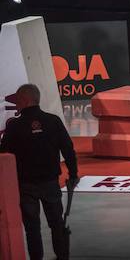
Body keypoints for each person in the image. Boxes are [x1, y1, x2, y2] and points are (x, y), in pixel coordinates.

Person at [0, 84, 78, 260]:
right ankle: (62, 257)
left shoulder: (14, 126)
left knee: (32, 228)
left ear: (25, 100)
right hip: (50, 182)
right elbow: (68, 149)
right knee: (57, 224)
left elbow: (4, 156)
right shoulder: (53, 121)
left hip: (25, 185)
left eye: (18, 101)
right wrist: (73, 174)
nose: (17, 105)